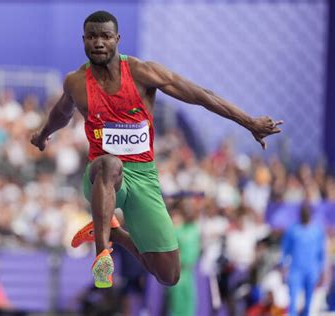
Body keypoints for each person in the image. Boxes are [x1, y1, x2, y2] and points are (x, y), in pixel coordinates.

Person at [31, 10, 283, 288]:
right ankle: (102, 255)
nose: (98, 42)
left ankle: (114, 235)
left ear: (117, 39)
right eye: (92, 37)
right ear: (83, 40)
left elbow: (202, 96)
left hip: (144, 177)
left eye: (105, 36)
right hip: (101, 178)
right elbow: (61, 113)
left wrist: (248, 121)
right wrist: (43, 135)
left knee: (169, 275)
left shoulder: (142, 73)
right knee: (109, 163)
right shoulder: (76, 82)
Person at [281, 203, 325, 316]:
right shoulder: (293, 230)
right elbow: (285, 250)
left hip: (312, 269)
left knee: (309, 299)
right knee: (293, 297)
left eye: (307, 213)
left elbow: (321, 252)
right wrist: (283, 266)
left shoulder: (317, 230)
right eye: (303, 213)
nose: (305, 215)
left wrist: (322, 270)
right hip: (296, 269)